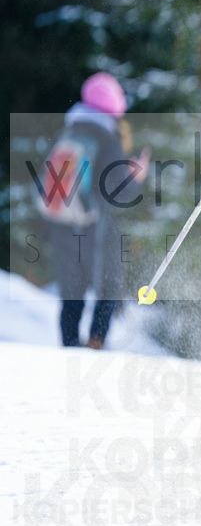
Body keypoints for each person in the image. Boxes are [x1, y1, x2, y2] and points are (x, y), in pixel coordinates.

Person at [41, 72, 149, 349]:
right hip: (94, 226)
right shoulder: (107, 137)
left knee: (71, 294)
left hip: (60, 223)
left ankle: (69, 350)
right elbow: (120, 192)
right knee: (109, 289)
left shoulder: (67, 130)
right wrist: (135, 177)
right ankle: (95, 347)